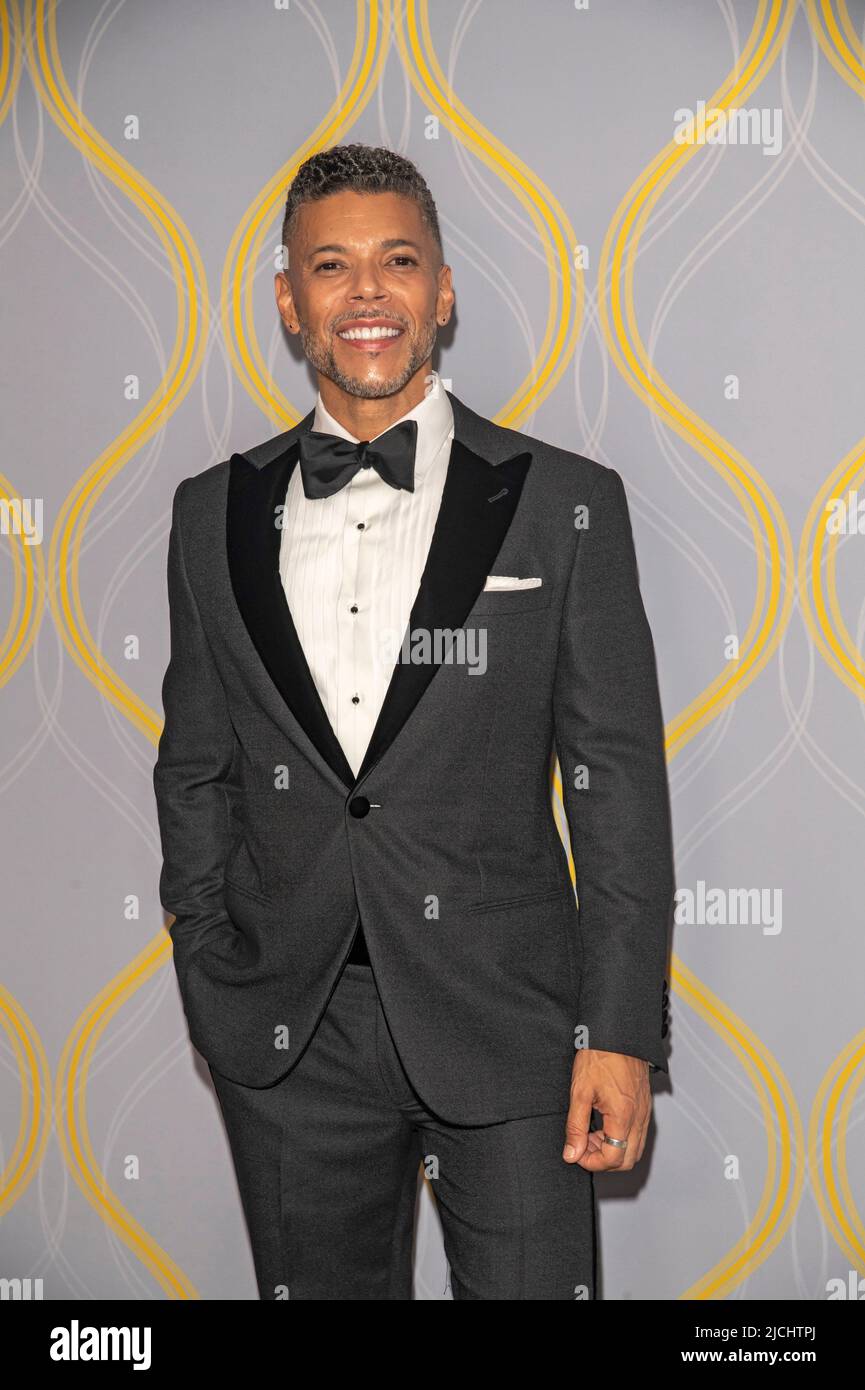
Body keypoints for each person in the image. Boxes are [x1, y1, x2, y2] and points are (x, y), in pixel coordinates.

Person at [153, 142, 674, 1301]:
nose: (367, 293)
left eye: (398, 259)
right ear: (290, 303)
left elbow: (616, 785)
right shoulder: (209, 515)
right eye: (329, 266)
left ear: (443, 291)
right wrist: (208, 960)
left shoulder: (565, 503)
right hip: (290, 1034)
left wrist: (620, 1030)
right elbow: (196, 766)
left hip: (511, 1020)